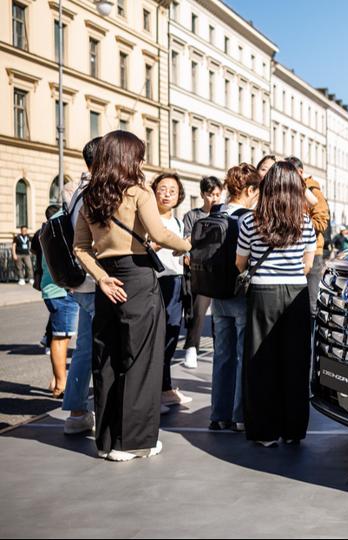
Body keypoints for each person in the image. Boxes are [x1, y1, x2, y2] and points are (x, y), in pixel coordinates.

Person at [73, 130, 192, 462]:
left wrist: (101, 278)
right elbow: (159, 234)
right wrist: (187, 245)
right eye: (139, 155)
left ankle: (106, 441)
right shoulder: (139, 192)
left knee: (107, 360)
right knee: (141, 360)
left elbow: (80, 248)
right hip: (138, 278)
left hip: (107, 281)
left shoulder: (90, 196)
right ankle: (133, 443)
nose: (142, 161)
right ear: (127, 158)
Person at [236, 161, 316, 447]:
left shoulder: (250, 221)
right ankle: (293, 430)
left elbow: (240, 263)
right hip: (296, 293)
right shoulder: (304, 222)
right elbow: (308, 265)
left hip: (262, 293)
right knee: (296, 361)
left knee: (261, 361)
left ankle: (265, 431)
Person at [209, 163, 261, 432]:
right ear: (250, 189)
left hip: (216, 292)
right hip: (240, 292)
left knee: (222, 354)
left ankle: (219, 414)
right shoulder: (248, 218)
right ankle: (240, 415)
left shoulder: (215, 211)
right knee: (243, 355)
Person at [62, 137, 101, 435]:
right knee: (105, 348)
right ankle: (105, 410)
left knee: (85, 348)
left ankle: (76, 413)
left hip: (82, 281)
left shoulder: (76, 191)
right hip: (99, 280)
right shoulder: (96, 193)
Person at [151, 172, 193, 411]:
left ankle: (165, 388)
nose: (167, 194)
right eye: (162, 189)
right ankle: (155, 393)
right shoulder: (149, 219)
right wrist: (160, 243)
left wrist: (186, 253)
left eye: (172, 191)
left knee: (172, 335)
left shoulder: (177, 222)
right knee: (156, 338)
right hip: (156, 282)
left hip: (176, 281)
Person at [181, 176, 223, 369]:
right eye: (210, 194)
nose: (214, 198)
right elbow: (186, 239)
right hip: (200, 270)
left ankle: (219, 347)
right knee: (198, 310)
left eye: (217, 194)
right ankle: (191, 347)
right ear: (202, 194)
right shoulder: (192, 216)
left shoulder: (223, 214)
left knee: (220, 313)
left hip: (219, 269)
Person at [40, 204, 79, 399]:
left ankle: (56, 381)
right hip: (62, 291)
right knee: (61, 338)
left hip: (53, 290)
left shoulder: (50, 227)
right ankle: (60, 386)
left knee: (59, 336)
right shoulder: (63, 224)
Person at [286, 156, 330, 319]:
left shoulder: (313, 191)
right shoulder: (287, 190)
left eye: (289, 172)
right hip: (291, 252)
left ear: (300, 172)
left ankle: (312, 335)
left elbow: (322, 223)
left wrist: (297, 222)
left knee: (311, 305)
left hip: (313, 252)